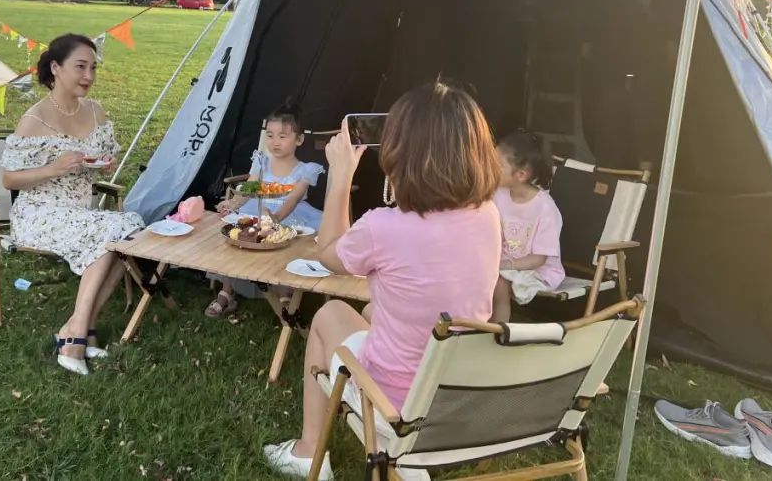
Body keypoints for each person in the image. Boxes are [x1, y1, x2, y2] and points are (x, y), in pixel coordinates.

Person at [263, 82, 502, 480]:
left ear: (401, 152)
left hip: (399, 402)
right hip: (457, 389)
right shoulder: (488, 214)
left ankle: (307, 452)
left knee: (330, 314)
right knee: (373, 310)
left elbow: (329, 254)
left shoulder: (384, 227)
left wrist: (341, 176)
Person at [0, 33, 143, 376]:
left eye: (93, 68)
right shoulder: (35, 119)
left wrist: (102, 164)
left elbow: (101, 157)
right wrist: (54, 168)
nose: (88, 76)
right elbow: (9, 179)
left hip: (79, 213)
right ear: (56, 68)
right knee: (110, 232)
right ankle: (78, 336)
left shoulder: (95, 111)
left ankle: (78, 326)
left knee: (131, 229)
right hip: (39, 214)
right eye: (80, 67)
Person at [205, 104, 324, 318]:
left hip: (289, 213)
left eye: (282, 136)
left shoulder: (306, 169)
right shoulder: (261, 160)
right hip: (257, 208)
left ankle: (285, 291)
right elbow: (250, 188)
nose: (275, 142)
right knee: (238, 239)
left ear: (299, 139)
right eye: (270, 135)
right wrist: (234, 203)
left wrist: (277, 217)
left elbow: (294, 198)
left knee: (286, 244)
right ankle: (227, 289)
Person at [490, 131, 564, 323]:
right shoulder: (498, 194)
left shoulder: (545, 209)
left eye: (497, 165)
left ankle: (497, 331)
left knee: (499, 283)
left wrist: (505, 265)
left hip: (537, 270)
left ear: (521, 175)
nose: (489, 167)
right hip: (504, 262)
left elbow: (539, 258)